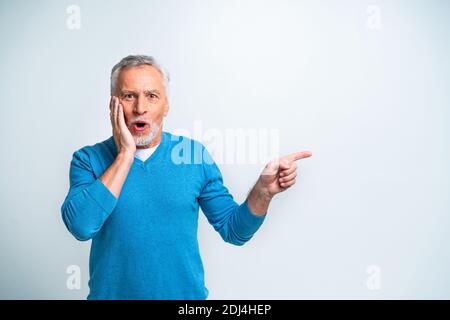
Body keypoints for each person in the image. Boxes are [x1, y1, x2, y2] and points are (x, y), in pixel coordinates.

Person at [61, 55, 312, 299]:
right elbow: (82, 226)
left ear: (166, 105)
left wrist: (263, 191)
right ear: (113, 104)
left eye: (152, 96)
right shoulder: (88, 160)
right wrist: (126, 154)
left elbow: (234, 230)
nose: (140, 108)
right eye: (129, 96)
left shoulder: (192, 156)